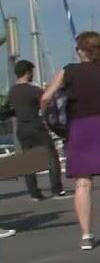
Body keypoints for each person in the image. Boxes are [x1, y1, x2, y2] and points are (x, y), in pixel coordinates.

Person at [40, 31, 100, 250]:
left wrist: (54, 116)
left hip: (79, 127)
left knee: (82, 183)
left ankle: (86, 236)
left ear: (81, 51)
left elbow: (46, 97)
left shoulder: (69, 71)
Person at [6, 59, 66, 201]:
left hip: (22, 128)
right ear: (28, 72)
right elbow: (47, 99)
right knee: (51, 157)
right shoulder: (33, 90)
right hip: (36, 125)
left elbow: (9, 109)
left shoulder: (12, 91)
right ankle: (56, 190)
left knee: (29, 162)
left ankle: (34, 193)